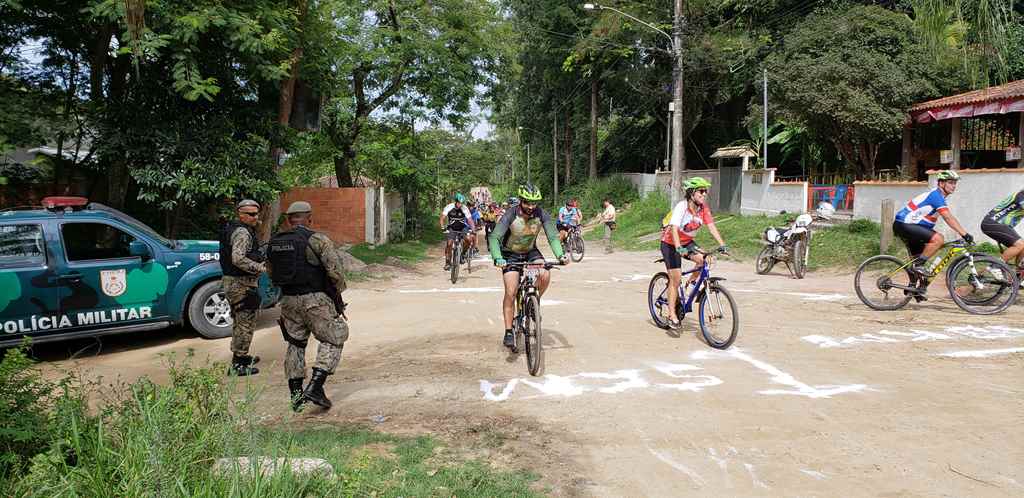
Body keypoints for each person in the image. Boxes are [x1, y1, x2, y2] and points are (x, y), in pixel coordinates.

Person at [267, 201, 349, 411]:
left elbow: (270, 272)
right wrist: (337, 293)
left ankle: (296, 396)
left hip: (287, 300)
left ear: (288, 219)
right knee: (335, 336)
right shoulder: (317, 240)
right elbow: (336, 272)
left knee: (295, 343)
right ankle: (315, 386)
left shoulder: (275, 242)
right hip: (314, 299)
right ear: (310, 218)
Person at [488, 184, 569, 348]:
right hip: (509, 254)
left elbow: (553, 237)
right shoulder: (510, 214)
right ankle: (509, 330)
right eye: (527, 203)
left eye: (534, 203)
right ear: (521, 201)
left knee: (545, 273)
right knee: (511, 291)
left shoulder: (541, 214)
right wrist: (497, 258)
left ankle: (533, 302)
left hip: (530, 251)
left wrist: (561, 255)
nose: (531, 207)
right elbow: (494, 238)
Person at [893, 170, 973, 300]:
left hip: (908, 226)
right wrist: (965, 234)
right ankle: (918, 267)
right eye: (951, 182)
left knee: (917, 259)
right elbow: (948, 217)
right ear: (941, 183)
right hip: (905, 224)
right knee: (938, 239)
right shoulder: (936, 196)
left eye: (955, 183)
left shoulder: (939, 197)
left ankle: (914, 288)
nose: (954, 186)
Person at [661, 177, 729, 329]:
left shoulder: (703, 209)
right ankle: (671, 314)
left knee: (705, 260)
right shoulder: (682, 206)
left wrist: (722, 244)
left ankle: (689, 286)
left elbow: (711, 227)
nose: (704, 194)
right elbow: (674, 228)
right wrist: (678, 247)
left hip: (687, 242)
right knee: (675, 278)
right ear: (692, 193)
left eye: (706, 191)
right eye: (701, 191)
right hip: (670, 243)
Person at [219, 199, 266, 376]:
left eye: (257, 213)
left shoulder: (234, 228)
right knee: (245, 322)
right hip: (240, 283)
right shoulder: (242, 232)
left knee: (241, 321)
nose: (256, 217)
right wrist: (260, 268)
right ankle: (238, 364)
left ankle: (241, 356)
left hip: (235, 282)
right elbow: (237, 259)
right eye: (251, 214)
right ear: (241, 214)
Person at [980, 188, 1024, 286]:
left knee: (1022, 247)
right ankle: (995, 266)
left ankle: (1017, 277)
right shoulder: (1021, 195)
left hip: (1002, 226)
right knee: (1020, 244)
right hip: (992, 223)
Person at [439, 193, 475, 270]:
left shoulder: (465, 208)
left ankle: (463, 254)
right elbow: (442, 217)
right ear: (456, 201)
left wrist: (473, 229)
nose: (460, 204)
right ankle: (448, 263)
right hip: (452, 228)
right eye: (459, 203)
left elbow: (470, 220)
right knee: (449, 244)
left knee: (468, 239)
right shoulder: (449, 207)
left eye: (461, 203)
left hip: (462, 227)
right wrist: (442, 226)